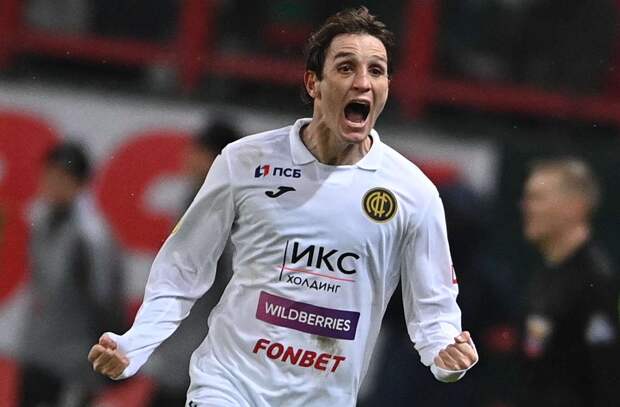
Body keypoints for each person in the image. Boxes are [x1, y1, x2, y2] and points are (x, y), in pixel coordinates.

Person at [88, 7, 478, 406]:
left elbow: (434, 309)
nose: (363, 82)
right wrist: (135, 344)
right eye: (346, 68)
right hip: (229, 385)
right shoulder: (244, 162)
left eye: (376, 71)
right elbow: (182, 270)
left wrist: (445, 354)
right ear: (313, 83)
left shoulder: (413, 193)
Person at [20, 141, 124, 407]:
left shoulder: (91, 237)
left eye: (61, 177)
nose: (51, 184)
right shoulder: (43, 221)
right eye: (49, 175)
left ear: (79, 184)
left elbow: (107, 304)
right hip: (38, 353)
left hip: (73, 365)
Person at [147, 119, 240, 407]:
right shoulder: (194, 201)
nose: (187, 157)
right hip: (179, 351)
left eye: (197, 151)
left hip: (198, 357)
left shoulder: (225, 211)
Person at [520, 158, 619, 407]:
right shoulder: (547, 273)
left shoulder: (597, 283)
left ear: (575, 208)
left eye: (537, 198)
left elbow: (605, 379)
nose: (525, 206)